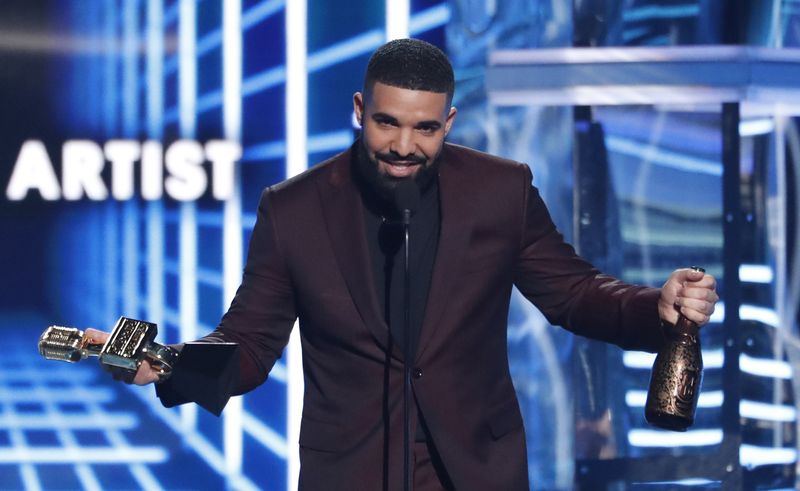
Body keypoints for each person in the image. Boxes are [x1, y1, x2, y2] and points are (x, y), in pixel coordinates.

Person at [88, 38, 718, 490]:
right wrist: (168, 366)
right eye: (387, 123)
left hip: (477, 467)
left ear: (449, 120)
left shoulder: (501, 191)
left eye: (424, 129)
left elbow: (574, 293)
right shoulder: (293, 209)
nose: (402, 146)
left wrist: (651, 305)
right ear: (360, 110)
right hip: (351, 470)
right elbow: (249, 344)